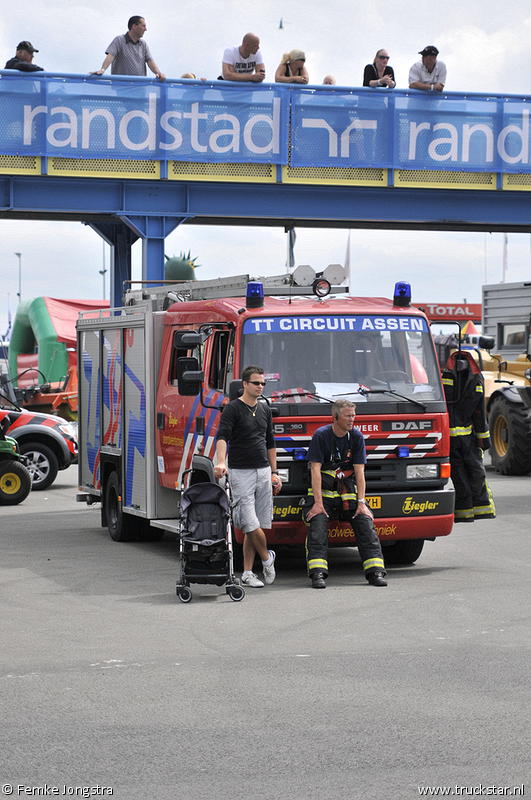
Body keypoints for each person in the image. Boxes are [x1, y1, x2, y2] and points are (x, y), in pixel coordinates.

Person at [303, 399, 387, 589]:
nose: (352, 419)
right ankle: (318, 573)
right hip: (323, 493)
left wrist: (361, 503)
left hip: (347, 493)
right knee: (317, 525)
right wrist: (317, 503)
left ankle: (376, 572)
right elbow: (315, 470)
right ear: (335, 416)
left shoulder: (356, 437)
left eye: (353, 415)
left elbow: (359, 473)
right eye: (348, 415)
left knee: (365, 522)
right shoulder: (321, 435)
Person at [213, 365, 279, 588]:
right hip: (241, 472)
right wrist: (221, 461)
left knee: (258, 524)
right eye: (256, 383)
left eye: (263, 383)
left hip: (263, 471)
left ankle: (248, 573)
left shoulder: (265, 409)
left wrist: (274, 472)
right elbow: (222, 436)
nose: (260, 386)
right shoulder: (232, 409)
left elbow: (270, 442)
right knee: (249, 523)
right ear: (244, 384)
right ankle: (267, 559)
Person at [442, 350, 496, 523]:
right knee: (460, 475)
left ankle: (481, 509)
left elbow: (479, 411)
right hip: (456, 439)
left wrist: (483, 439)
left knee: (475, 472)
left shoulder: (475, 380)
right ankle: (465, 513)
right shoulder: (445, 378)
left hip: (466, 438)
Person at [90, 16, 165, 81]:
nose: (145, 29)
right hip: (122, 87)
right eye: (143, 26)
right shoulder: (119, 40)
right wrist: (102, 70)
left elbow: (150, 61)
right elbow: (110, 56)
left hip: (139, 88)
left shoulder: (143, 44)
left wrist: (158, 73)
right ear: (135, 26)